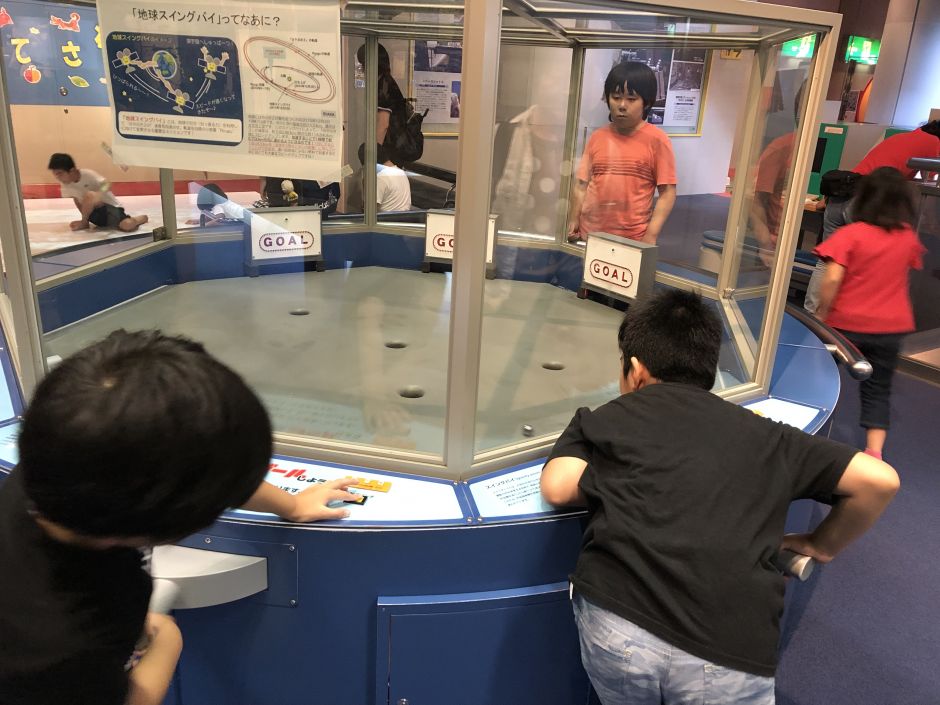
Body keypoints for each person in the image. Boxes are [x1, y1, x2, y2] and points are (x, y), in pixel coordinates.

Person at [540, 289, 899, 705]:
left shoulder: (609, 418)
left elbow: (557, 486)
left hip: (618, 624)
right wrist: (821, 545)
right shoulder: (768, 437)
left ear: (634, 372)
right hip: (729, 644)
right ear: (708, 368)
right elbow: (880, 481)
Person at [0, 330, 359, 705]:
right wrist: (167, 642)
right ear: (166, 527)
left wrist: (291, 505)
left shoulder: (62, 457)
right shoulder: (60, 649)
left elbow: (194, 463)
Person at [813, 167, 925, 460]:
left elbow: (832, 279)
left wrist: (822, 313)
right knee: (878, 389)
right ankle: (874, 452)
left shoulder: (851, 235)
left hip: (845, 324)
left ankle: (810, 432)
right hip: (891, 327)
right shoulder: (907, 238)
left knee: (819, 375)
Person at [805, 119, 940, 313]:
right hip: (866, 201)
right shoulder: (934, 143)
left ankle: (813, 314)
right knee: (865, 262)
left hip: (841, 194)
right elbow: (933, 183)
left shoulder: (903, 137)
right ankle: (848, 314)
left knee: (827, 261)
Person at [567, 61, 677, 244]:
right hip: (590, 234)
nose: (622, 105)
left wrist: (651, 234)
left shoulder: (658, 140)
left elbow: (667, 193)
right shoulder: (597, 137)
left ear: (647, 102)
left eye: (631, 99)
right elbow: (581, 184)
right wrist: (574, 218)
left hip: (632, 238)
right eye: (616, 97)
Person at [48, 153, 149, 233]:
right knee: (83, 197)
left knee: (127, 225)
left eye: (60, 174)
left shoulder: (87, 174)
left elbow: (107, 184)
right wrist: (85, 221)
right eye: (55, 175)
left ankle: (139, 219)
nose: (58, 177)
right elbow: (77, 200)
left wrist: (99, 194)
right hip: (95, 215)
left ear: (72, 170)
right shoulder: (66, 184)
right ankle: (85, 222)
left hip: (110, 209)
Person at [356, 43, 406, 162]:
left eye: (363, 64)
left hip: (390, 150)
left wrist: (373, 156)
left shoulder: (384, 86)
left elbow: (383, 124)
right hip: (393, 147)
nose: (362, 68)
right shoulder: (385, 82)